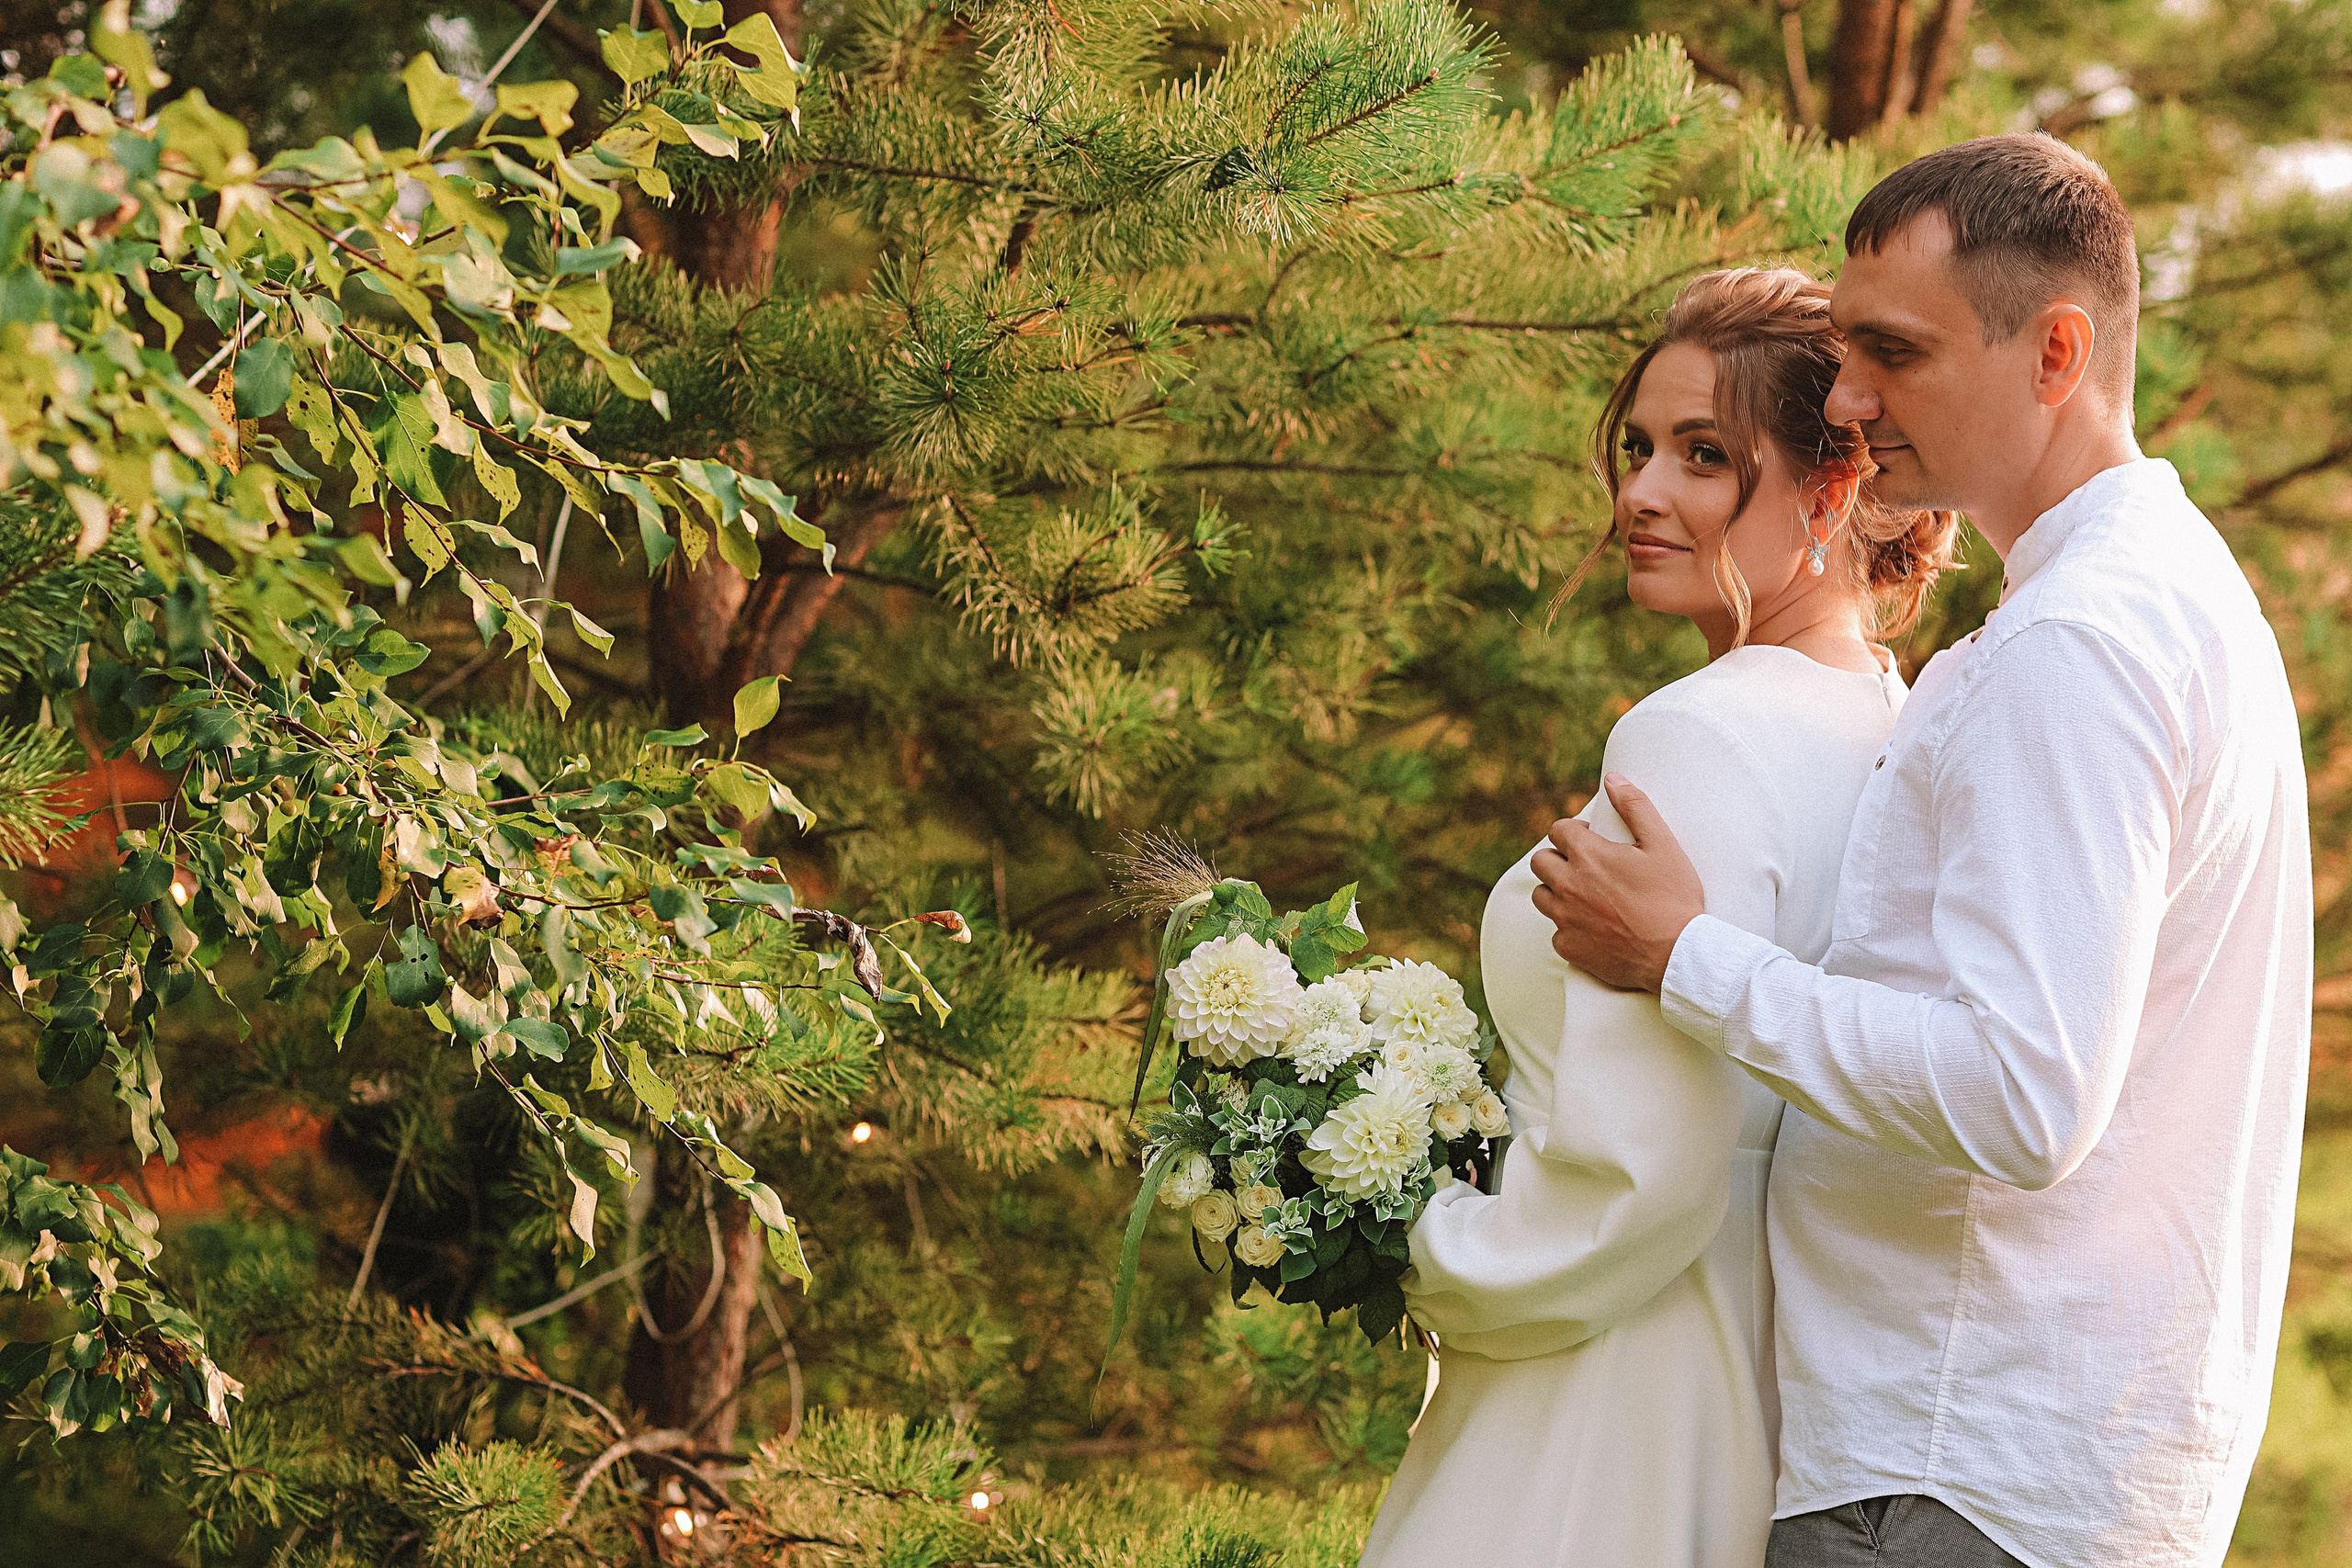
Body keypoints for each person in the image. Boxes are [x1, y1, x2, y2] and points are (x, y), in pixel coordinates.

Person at [1531, 135, 2312, 1568]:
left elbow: (2023, 1096)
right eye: (1843, 350)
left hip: (1952, 1470)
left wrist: (1688, 960)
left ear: (2058, 350)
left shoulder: (2076, 647)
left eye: (1893, 351)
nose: (1847, 399)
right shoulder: (2162, 594)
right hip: (2021, 1459)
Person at [1360, 266, 1955, 1568]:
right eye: (1637, 450)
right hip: (1772, 1377)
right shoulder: (1898, 730)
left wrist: (1411, 1236)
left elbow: (1642, 1172)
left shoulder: (1693, 732)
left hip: (1603, 1382)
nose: (1639, 493)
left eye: (1702, 455)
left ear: (1832, 486)